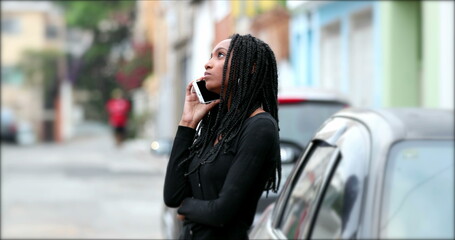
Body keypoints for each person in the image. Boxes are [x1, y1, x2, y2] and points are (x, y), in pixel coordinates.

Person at [163, 34, 281, 239]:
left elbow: (221, 212)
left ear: (250, 67)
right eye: (210, 56)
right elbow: (172, 196)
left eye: (220, 56)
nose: (208, 64)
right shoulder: (215, 125)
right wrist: (188, 123)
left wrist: (185, 207)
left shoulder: (260, 127)